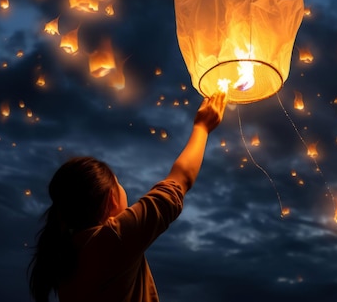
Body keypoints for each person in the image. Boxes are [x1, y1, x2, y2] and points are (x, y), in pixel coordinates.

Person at [28, 92, 227, 302]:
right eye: (119, 183)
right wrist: (202, 127)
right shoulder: (110, 242)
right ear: (111, 198)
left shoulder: (70, 257)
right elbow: (178, 183)